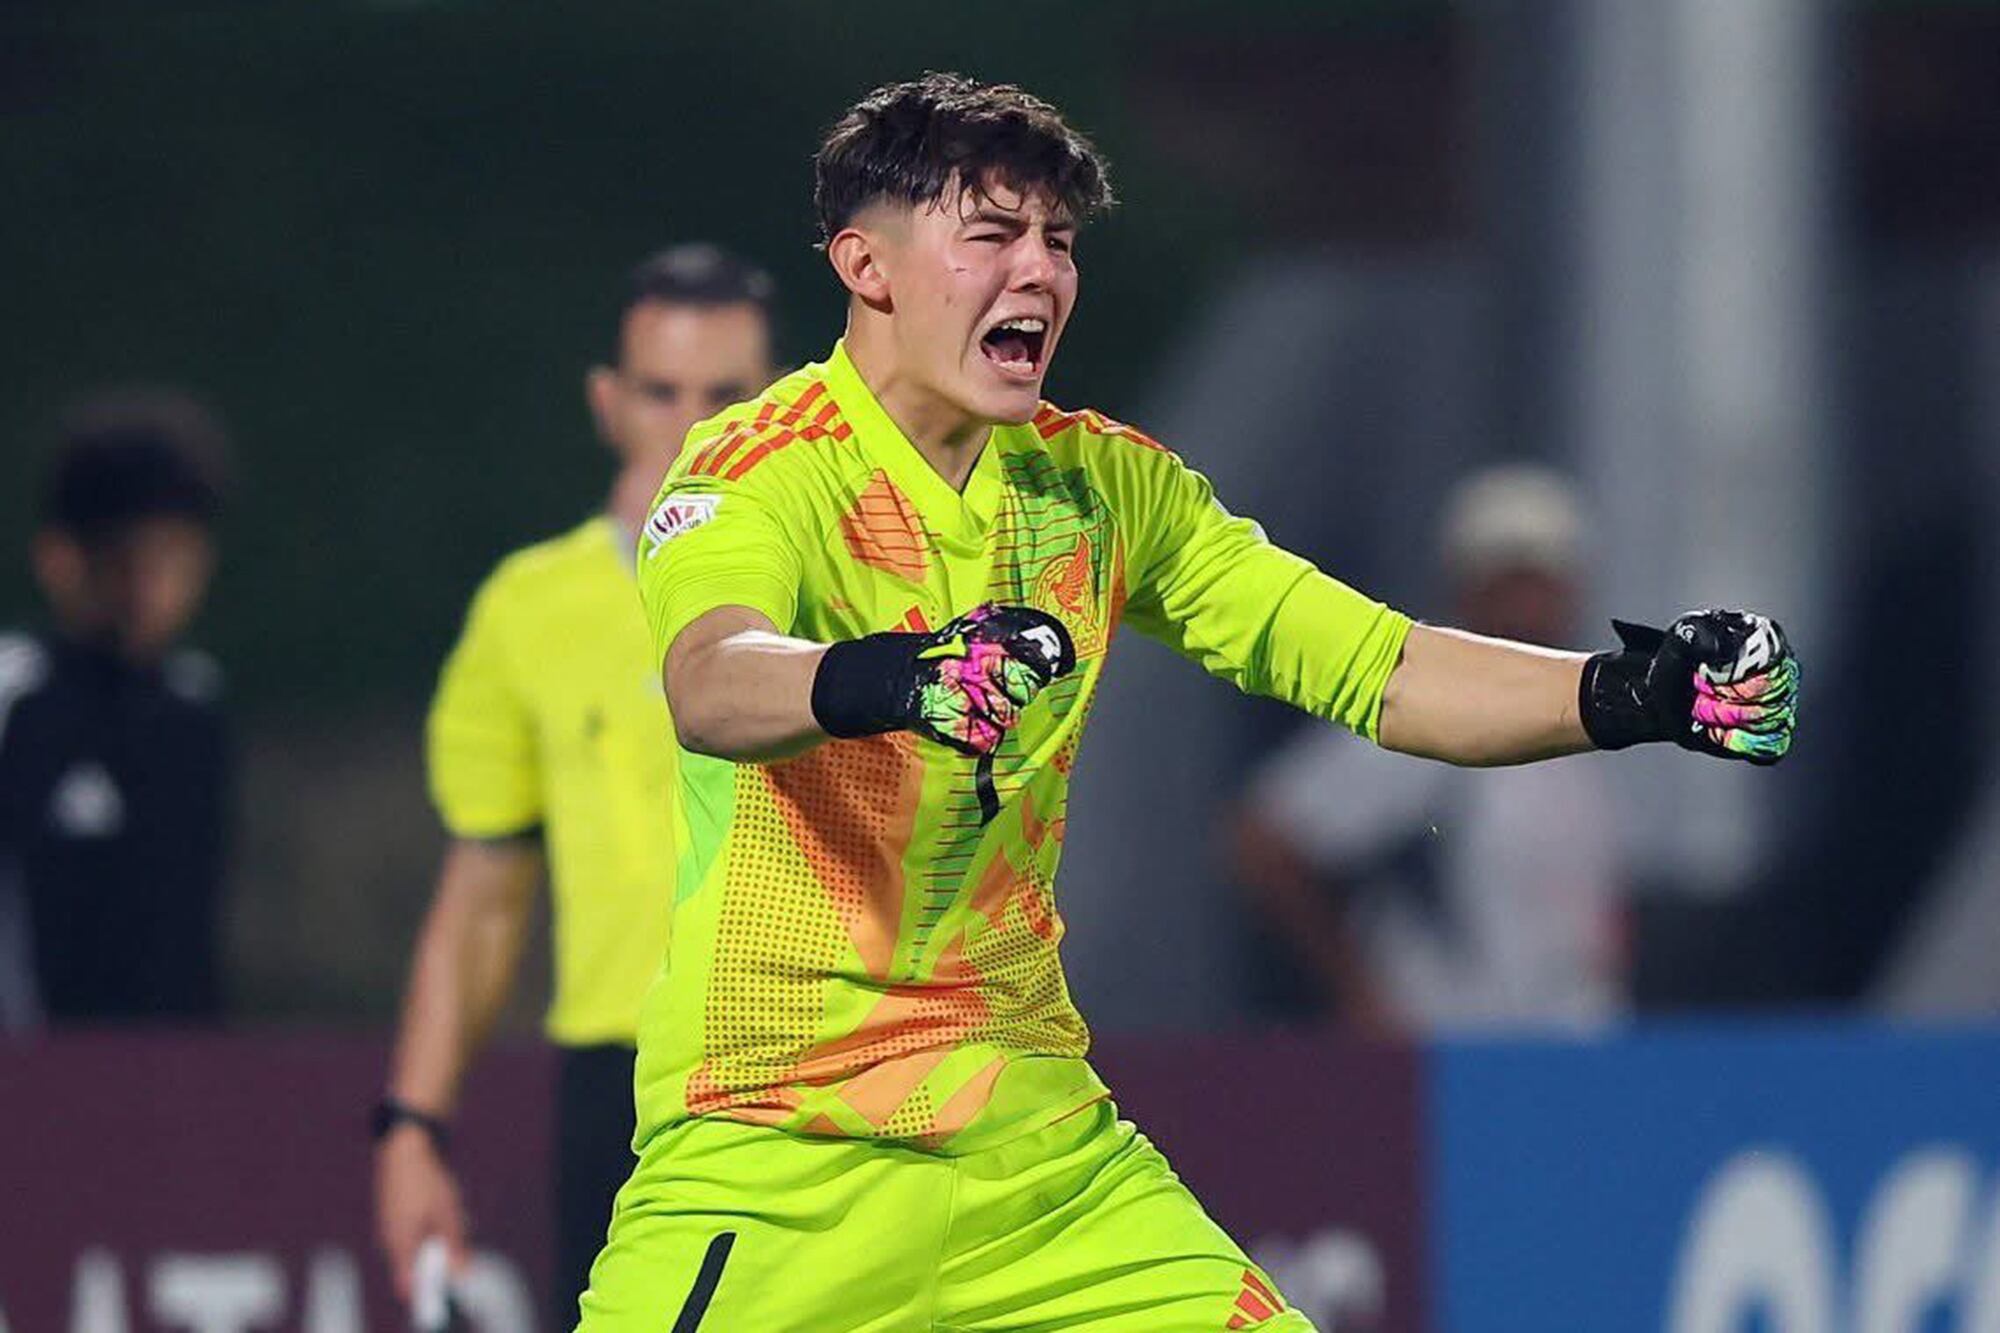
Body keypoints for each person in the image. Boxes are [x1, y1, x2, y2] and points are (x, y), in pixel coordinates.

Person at [589, 74, 1800, 1332]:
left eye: (1057, 240)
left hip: (1042, 1164)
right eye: (991, 233)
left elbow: (1376, 665)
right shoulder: (756, 469)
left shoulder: (1107, 487)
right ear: (867, 265)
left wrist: (1628, 693)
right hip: (782, 1152)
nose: (1039, 273)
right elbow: (712, 679)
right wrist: (892, 674)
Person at [370, 245, 778, 1324]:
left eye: (726, 395)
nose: (692, 425)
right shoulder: (528, 610)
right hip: (623, 1080)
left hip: (816, 1064)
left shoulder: (848, 576)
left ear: (779, 402)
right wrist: (412, 1126)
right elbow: (483, 895)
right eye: (661, 391)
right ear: (609, 400)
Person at [1235, 465, 1626, 1035]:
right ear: (1468, 587)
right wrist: (1361, 991)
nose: (1527, 604)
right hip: (1453, 1045)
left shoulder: (1597, 706)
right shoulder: (1430, 705)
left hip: (1577, 1044)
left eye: (1542, 580)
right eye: (1508, 580)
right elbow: (1263, 841)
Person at [0, 389, 231, 1029]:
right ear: (61, 559)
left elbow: (191, 929)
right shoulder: (17, 700)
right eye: (128, 561)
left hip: (161, 1091)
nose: (151, 590)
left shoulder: (196, 709)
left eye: (174, 560)